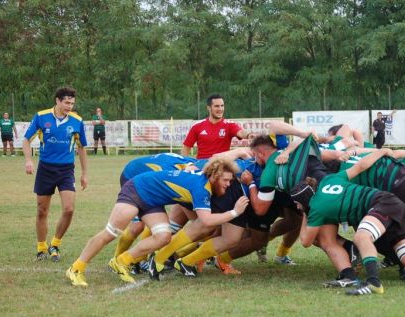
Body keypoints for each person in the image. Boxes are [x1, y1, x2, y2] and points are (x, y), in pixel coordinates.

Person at [292, 164, 405, 296]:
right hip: (392, 204)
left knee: (362, 236)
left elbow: (306, 241)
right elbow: (360, 166)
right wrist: (381, 152)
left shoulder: (316, 207)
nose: (297, 207)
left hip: (382, 204)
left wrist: (305, 214)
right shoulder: (331, 179)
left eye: (298, 203)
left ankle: (373, 283)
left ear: (305, 199)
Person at [67, 158, 249, 286]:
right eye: (226, 180)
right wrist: (235, 212)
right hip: (137, 190)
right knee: (112, 232)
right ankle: (76, 268)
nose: (228, 184)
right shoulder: (201, 188)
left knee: (163, 237)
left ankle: (122, 261)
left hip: (152, 201)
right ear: (215, 176)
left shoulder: (205, 180)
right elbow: (207, 220)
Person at [22, 87, 89, 262]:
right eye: (67, 102)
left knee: (69, 209)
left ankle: (55, 244)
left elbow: (81, 147)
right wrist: (28, 160)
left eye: (72, 103)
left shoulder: (77, 121)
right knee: (42, 210)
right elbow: (26, 140)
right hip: (45, 169)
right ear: (57, 101)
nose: (70, 106)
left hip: (66, 170)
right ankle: (41, 248)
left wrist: (84, 173)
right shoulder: (41, 116)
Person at [181, 94, 250, 159]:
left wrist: (248, 135)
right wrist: (185, 163)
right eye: (217, 106)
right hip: (202, 165)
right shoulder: (197, 126)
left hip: (221, 164)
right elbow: (186, 147)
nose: (220, 109)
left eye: (222, 106)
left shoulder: (229, 125)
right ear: (209, 108)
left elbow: (240, 132)